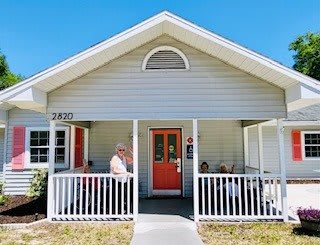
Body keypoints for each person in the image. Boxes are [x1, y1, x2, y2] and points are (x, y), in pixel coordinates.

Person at [110, 143, 133, 214]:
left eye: (123, 150)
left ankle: (122, 212)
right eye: (120, 150)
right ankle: (114, 214)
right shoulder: (115, 158)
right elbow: (114, 170)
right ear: (117, 150)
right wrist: (125, 173)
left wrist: (133, 153)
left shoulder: (124, 158)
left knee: (123, 197)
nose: (122, 151)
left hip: (123, 181)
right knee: (116, 198)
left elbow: (132, 161)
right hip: (116, 181)